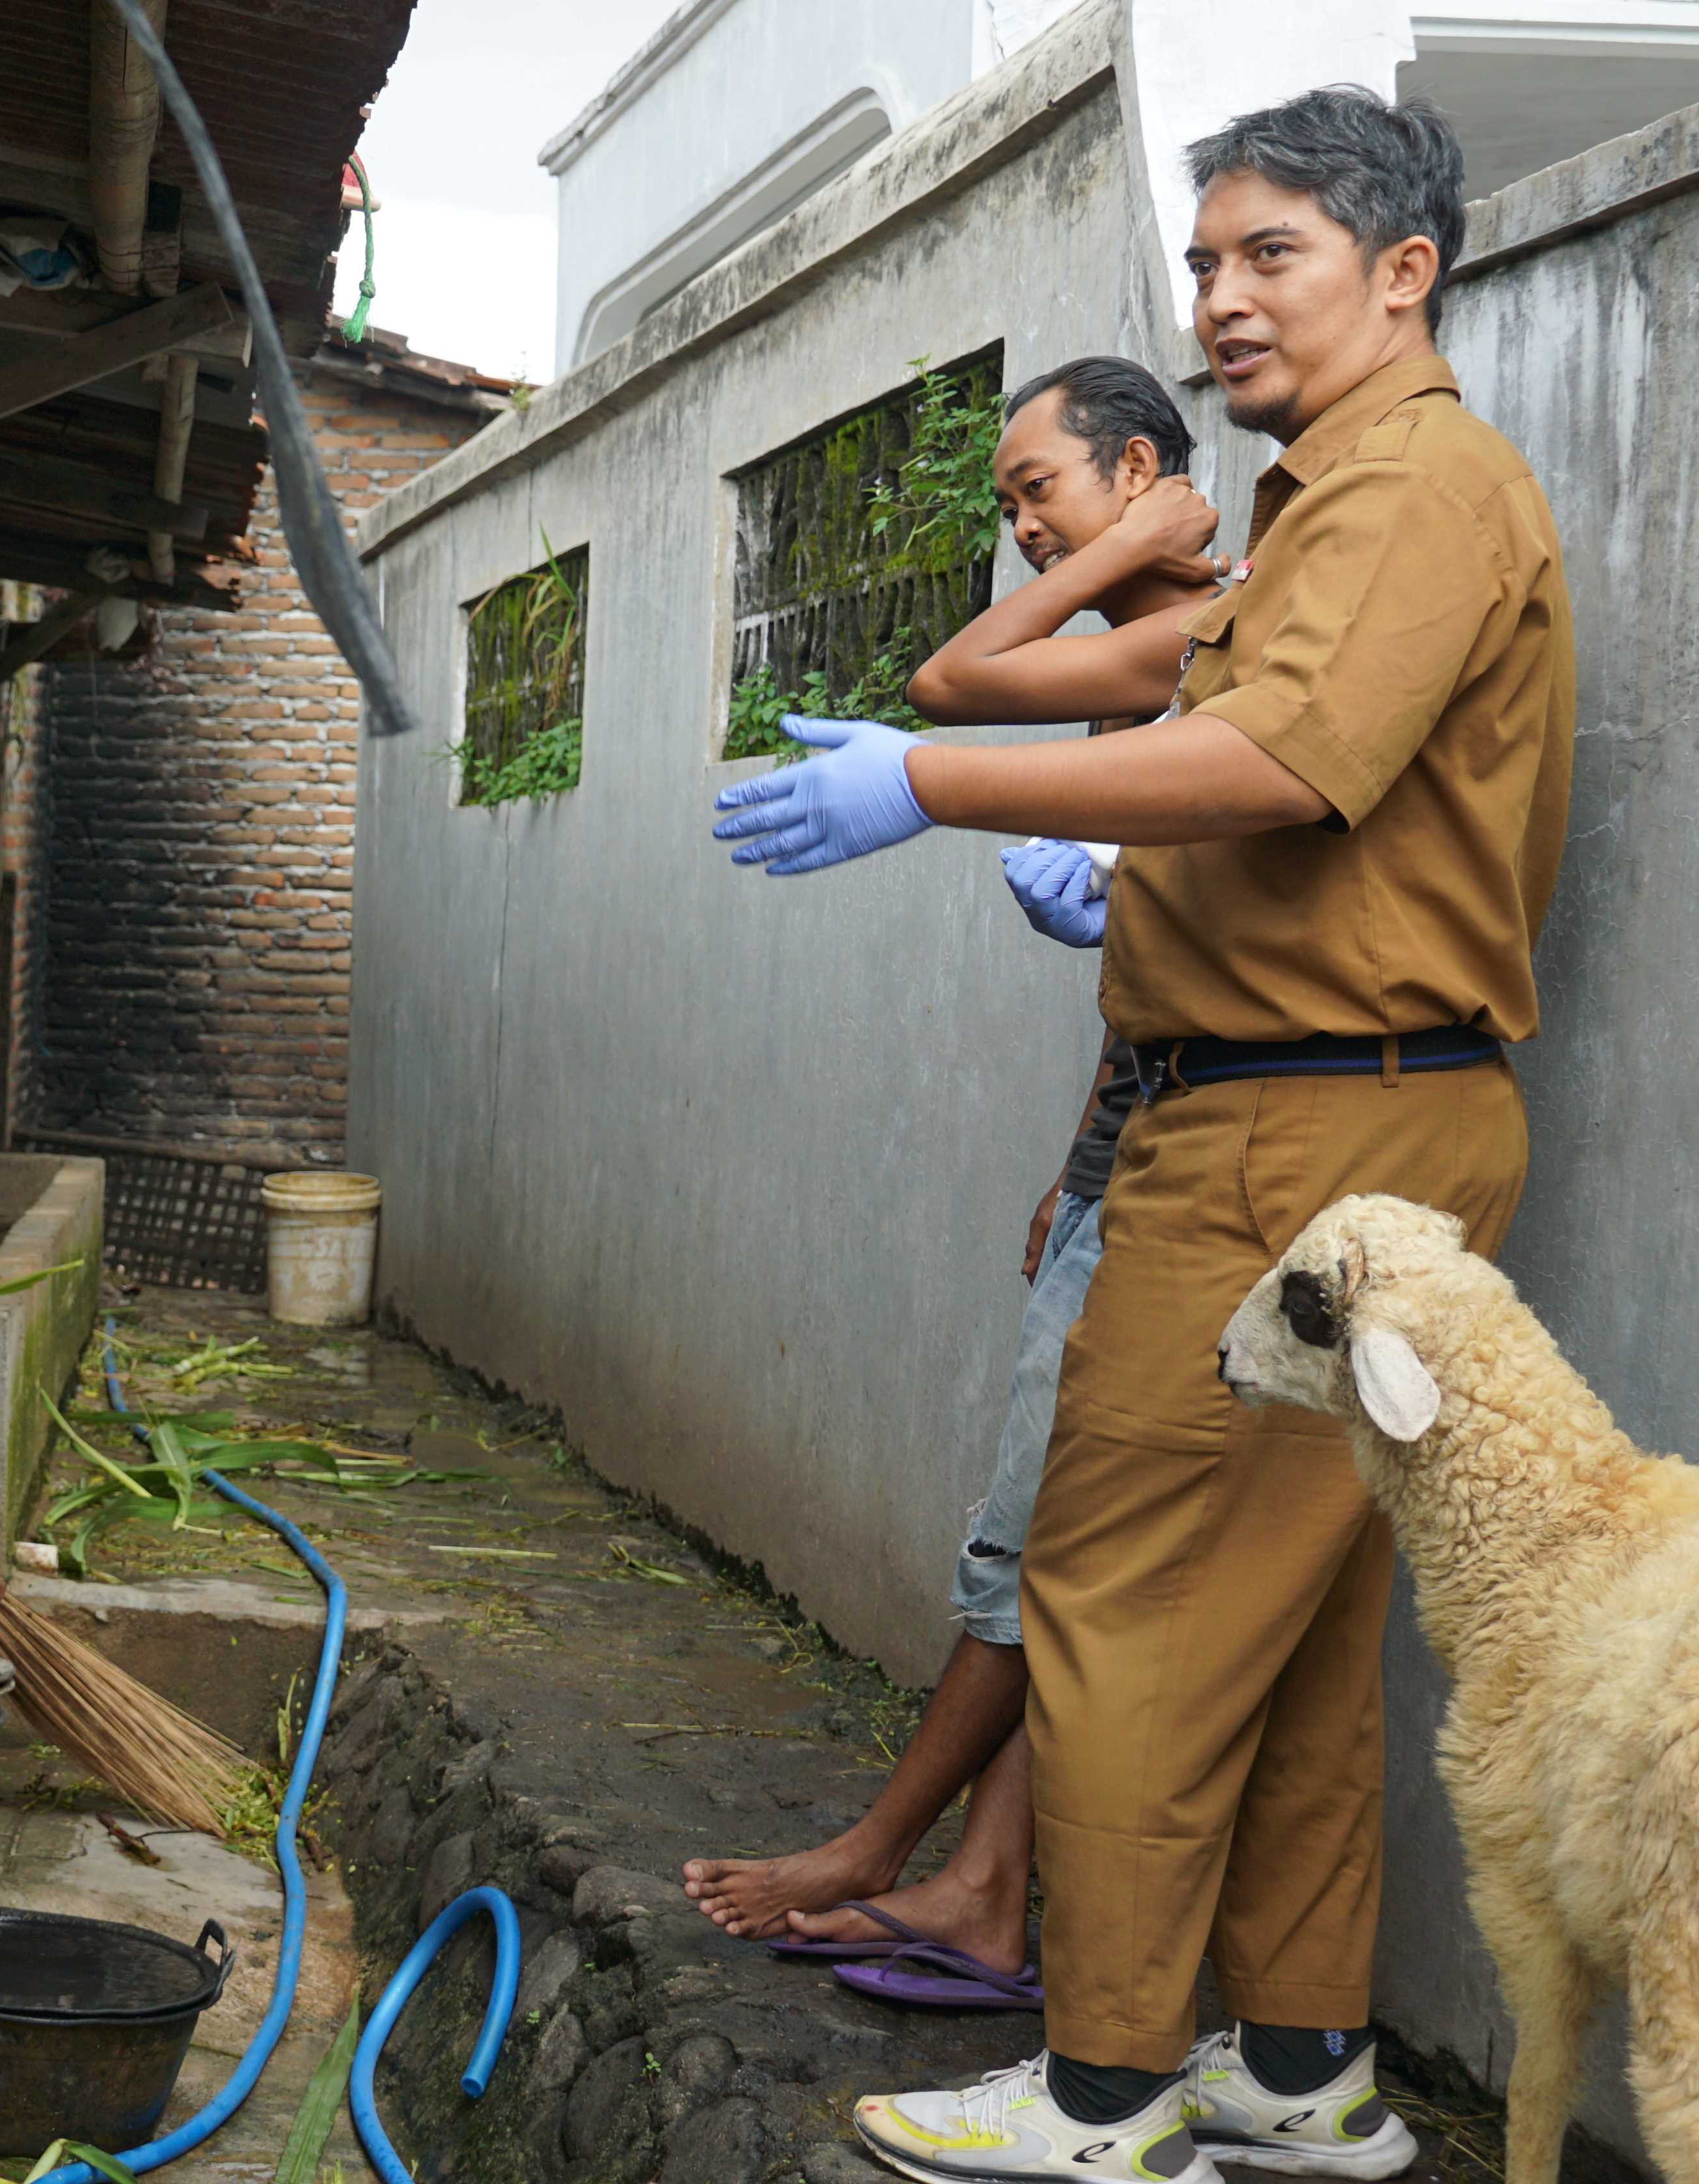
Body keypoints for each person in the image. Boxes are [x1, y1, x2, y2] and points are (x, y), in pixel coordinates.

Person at [712, 87, 1572, 2184]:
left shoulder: (1416, 496)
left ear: (1402, 270)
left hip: (1298, 1136)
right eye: (1202, 263)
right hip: (1322, 1120)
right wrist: (948, 730)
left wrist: (919, 787)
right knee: (1283, 1644)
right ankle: (1296, 2070)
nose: (1218, 300)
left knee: (1122, 1595)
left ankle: (1104, 2093)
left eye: (1264, 253)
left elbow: (1275, 760)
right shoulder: (1323, 507)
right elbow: (1094, 683)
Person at [679, 355, 1224, 2002]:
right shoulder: (1148, 655)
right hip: (1142, 1133)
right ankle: (984, 1884)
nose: (1019, 529)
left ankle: (887, 1851)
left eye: (1039, 491)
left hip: (1212, 1157)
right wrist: (1081, 1150)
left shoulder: (1224, 630)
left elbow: (943, 683)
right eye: (1006, 508)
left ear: (1139, 469)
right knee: (1049, 1537)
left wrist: (1123, 557)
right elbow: (1169, 964)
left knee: (1039, 1540)